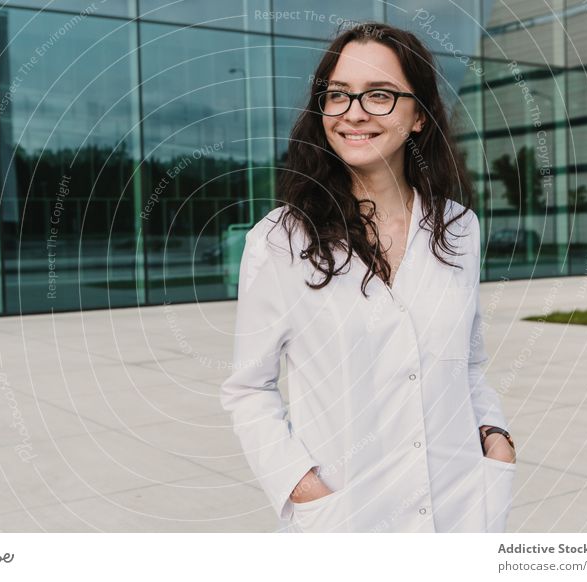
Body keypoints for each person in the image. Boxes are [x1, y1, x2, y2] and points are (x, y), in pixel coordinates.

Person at [219, 21, 516, 533]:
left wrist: (496, 438)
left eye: (379, 95)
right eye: (338, 95)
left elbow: (468, 363)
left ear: (419, 116)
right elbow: (249, 387)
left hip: (462, 508)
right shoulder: (278, 243)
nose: (354, 112)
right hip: (348, 521)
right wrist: (301, 487)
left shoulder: (461, 229)